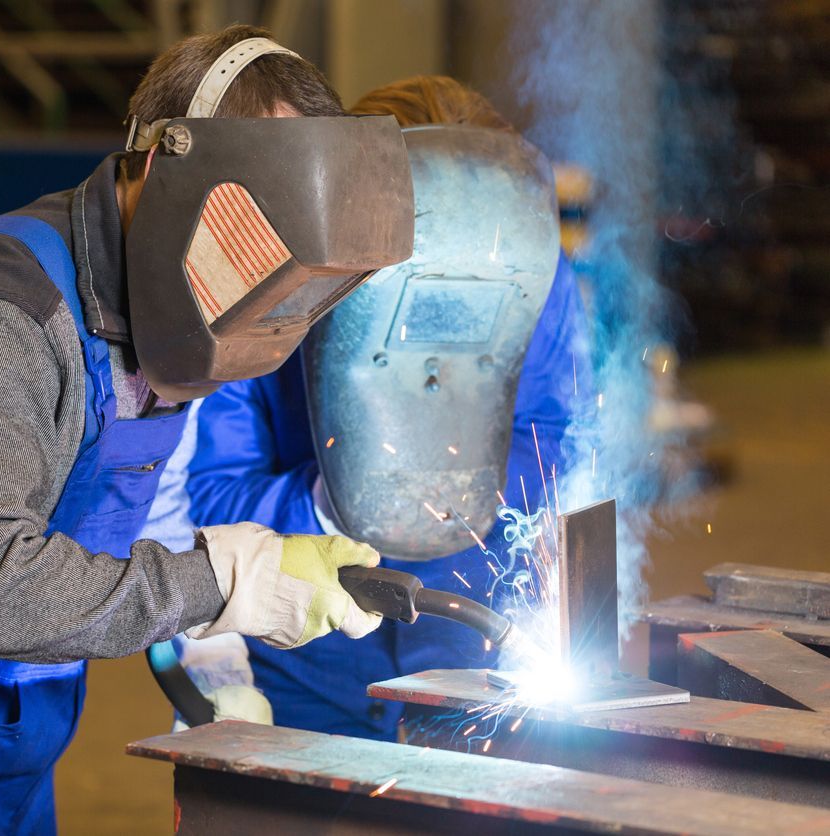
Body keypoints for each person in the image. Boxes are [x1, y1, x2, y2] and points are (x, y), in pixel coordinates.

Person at [0, 26, 418, 835]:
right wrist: (219, 582)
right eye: (247, 225)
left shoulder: (167, 313)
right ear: (158, 167)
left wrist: (216, 666)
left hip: (23, 715)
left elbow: (143, 514)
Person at [169, 75, 593, 741]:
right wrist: (333, 503)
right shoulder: (271, 280)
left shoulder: (531, 268)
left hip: (471, 663)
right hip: (302, 665)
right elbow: (200, 504)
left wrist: (467, 492)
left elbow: (559, 439)